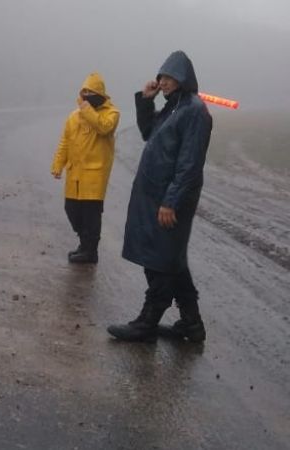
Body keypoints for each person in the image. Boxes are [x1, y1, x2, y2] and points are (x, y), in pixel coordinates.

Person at [108, 51, 213, 342]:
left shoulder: (194, 111)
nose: (163, 82)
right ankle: (192, 324)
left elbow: (190, 163)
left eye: (169, 77)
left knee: (160, 260)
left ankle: (147, 323)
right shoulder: (173, 107)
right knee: (171, 259)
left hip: (170, 200)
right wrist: (146, 100)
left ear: (183, 78)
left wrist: (171, 201)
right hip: (154, 195)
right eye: (161, 77)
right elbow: (148, 133)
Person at [51, 72, 120, 264]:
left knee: (91, 215)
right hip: (75, 173)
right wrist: (58, 164)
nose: (87, 95)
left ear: (100, 94)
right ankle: (84, 243)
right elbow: (65, 142)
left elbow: (104, 127)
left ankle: (90, 251)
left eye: (91, 92)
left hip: (95, 175)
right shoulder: (74, 117)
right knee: (71, 210)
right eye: (84, 92)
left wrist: (87, 109)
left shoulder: (112, 113)